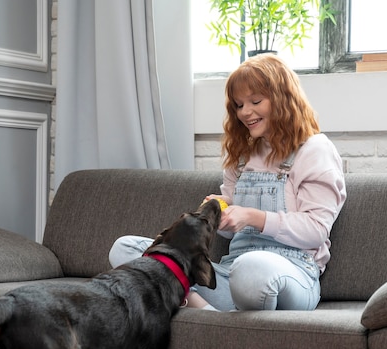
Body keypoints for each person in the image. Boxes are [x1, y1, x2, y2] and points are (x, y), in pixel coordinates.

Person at [109, 54, 346, 311]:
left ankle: (201, 309)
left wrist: (252, 216)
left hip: (293, 274)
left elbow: (316, 229)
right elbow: (230, 231)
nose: (245, 112)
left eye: (255, 101)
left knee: (252, 270)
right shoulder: (242, 154)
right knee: (127, 250)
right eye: (238, 105)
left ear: (283, 100)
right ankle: (209, 316)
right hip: (233, 272)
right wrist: (221, 210)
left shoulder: (314, 149)